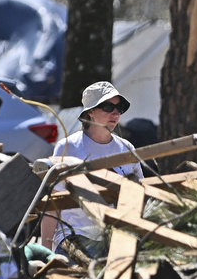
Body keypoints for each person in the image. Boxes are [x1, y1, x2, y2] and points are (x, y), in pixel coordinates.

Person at [39, 81, 142, 256]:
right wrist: (45, 253)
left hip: (115, 238)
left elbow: (140, 200)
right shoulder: (68, 147)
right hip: (75, 236)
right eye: (108, 107)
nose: (115, 113)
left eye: (119, 107)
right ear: (90, 112)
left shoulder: (127, 148)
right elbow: (53, 204)